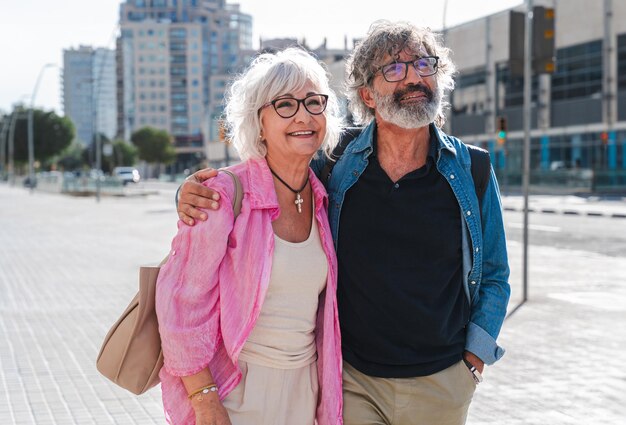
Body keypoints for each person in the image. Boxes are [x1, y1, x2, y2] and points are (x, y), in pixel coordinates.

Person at [177, 21, 510, 425]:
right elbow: (271, 169)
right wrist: (190, 191)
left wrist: (472, 362)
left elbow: (494, 273)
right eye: (394, 69)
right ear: (367, 95)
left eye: (424, 65)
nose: (414, 78)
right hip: (353, 383)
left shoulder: (472, 168)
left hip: (441, 383)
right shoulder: (335, 161)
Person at [155, 47, 344, 425]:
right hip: (234, 395)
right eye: (285, 105)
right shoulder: (224, 194)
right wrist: (205, 401)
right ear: (259, 122)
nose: (304, 115)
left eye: (313, 102)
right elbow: (180, 305)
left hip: (307, 393)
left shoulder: (324, 195)